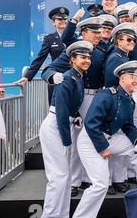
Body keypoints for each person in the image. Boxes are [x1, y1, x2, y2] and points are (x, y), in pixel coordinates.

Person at [69, 61, 137, 218]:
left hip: (108, 139)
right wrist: (102, 149)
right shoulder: (106, 95)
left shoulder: (129, 101)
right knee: (101, 184)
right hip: (91, 142)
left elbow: (128, 126)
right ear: (122, 78)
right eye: (133, 77)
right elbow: (91, 124)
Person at [42, 16, 108, 197]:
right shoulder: (73, 52)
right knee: (75, 142)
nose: (98, 35)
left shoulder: (101, 51)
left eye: (99, 32)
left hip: (96, 98)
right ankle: (74, 181)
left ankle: (90, 178)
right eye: (94, 33)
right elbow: (49, 69)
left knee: (91, 139)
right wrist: (54, 76)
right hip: (79, 99)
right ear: (84, 33)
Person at [39, 41, 93, 218]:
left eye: (88, 57)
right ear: (72, 60)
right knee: (59, 175)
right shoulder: (67, 78)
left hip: (64, 124)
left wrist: (76, 117)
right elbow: (61, 111)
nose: (86, 60)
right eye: (82, 57)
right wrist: (67, 139)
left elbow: (71, 107)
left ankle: (60, 216)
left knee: (65, 175)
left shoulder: (77, 77)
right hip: (56, 126)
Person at [103, 23, 137, 194]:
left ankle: (118, 179)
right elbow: (111, 84)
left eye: (134, 39)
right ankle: (108, 181)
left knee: (119, 141)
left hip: (122, 100)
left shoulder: (123, 56)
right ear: (118, 40)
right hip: (115, 102)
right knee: (110, 143)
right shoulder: (116, 58)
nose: (132, 42)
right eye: (129, 39)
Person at [17, 7, 69, 104]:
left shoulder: (75, 37)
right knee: (55, 109)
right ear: (54, 23)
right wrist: (27, 76)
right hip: (55, 77)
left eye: (64, 19)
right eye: (59, 19)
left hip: (71, 76)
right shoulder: (49, 39)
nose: (62, 21)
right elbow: (41, 58)